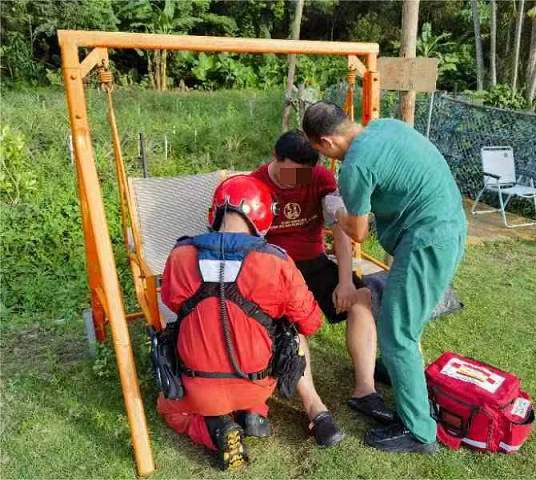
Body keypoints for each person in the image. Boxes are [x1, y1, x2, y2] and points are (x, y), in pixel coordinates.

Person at [302, 102, 467, 454]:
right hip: (449, 225)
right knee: (402, 326)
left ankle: (419, 432)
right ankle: (408, 387)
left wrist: (337, 212)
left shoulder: (355, 167)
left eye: (319, 150)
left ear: (327, 142)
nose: (324, 157)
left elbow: (358, 232)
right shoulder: (386, 127)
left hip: (425, 240)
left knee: (397, 333)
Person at [156, 175, 342, 470]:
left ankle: (216, 430)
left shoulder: (180, 255)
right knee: (290, 330)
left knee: (169, 410)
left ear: (214, 212)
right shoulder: (277, 261)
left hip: (196, 390)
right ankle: (254, 412)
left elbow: (170, 301)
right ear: (263, 218)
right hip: (258, 384)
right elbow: (311, 323)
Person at [250, 131, 395, 426]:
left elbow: (340, 229)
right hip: (276, 269)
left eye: (304, 173)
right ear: (275, 158)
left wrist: (344, 281)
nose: (297, 179)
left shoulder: (314, 178)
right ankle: (314, 403)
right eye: (291, 171)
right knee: (290, 321)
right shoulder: (256, 185)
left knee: (361, 297)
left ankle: (365, 390)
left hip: (314, 262)